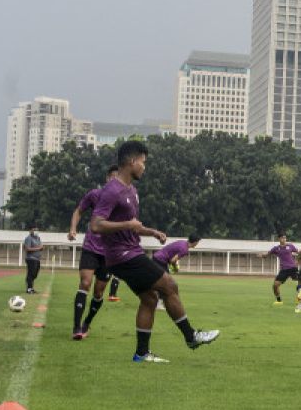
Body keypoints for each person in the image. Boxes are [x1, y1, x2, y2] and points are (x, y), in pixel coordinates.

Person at [90, 140, 219, 363]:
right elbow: (96, 225)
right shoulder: (112, 190)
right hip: (122, 255)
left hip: (130, 250)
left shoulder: (131, 190)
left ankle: (141, 354)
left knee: (149, 299)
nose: (144, 166)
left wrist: (152, 232)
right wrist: (127, 225)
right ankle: (191, 336)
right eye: (143, 162)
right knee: (169, 285)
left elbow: (133, 225)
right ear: (132, 162)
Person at [69, 166, 118, 340]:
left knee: (98, 293)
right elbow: (79, 211)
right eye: (112, 177)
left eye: (118, 178)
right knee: (85, 283)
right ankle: (76, 327)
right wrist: (73, 228)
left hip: (109, 253)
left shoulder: (122, 200)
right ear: (107, 179)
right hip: (91, 247)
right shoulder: (94, 195)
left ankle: (87, 323)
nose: (114, 181)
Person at [259, 232, 299, 305]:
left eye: (285, 238)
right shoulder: (276, 248)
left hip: (293, 268)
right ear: (279, 239)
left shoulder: (290, 246)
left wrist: (298, 261)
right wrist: (261, 255)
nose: (284, 239)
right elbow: (267, 255)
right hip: (284, 270)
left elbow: (300, 253)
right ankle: (279, 301)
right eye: (283, 238)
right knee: (275, 285)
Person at [23, 227, 43, 294]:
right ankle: (29, 288)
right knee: (31, 273)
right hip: (31, 258)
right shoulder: (28, 238)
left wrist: (41, 248)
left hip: (37, 259)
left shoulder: (38, 238)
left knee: (35, 274)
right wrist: (38, 248)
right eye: (34, 230)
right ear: (30, 230)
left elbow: (40, 246)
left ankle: (31, 287)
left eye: (37, 230)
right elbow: (27, 249)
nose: (36, 231)